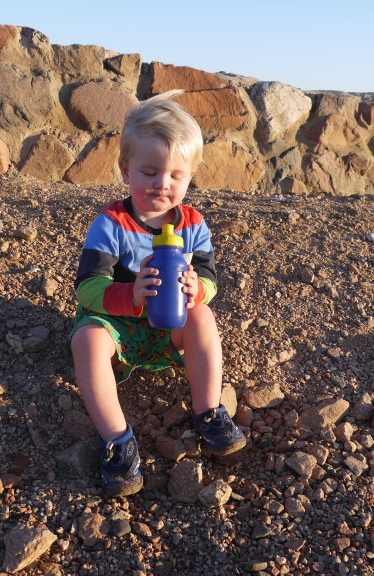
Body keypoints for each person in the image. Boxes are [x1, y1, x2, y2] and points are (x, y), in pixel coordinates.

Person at [70, 90, 245, 498]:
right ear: (126, 170)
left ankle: (208, 411)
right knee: (87, 340)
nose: (161, 184)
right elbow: (88, 287)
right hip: (117, 326)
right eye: (149, 172)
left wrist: (196, 289)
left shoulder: (193, 224)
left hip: (170, 328)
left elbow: (210, 279)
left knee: (203, 315)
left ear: (190, 176)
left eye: (175, 176)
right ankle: (117, 440)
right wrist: (131, 294)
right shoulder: (110, 224)